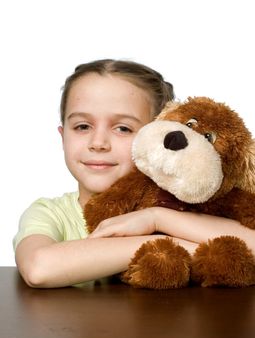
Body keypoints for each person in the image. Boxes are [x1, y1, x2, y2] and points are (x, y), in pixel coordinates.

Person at [13, 59, 255, 288]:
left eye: (123, 128)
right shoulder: (50, 214)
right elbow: (39, 268)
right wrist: (166, 245)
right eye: (82, 126)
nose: (98, 143)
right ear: (62, 135)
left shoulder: (186, 208)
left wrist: (157, 218)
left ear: (159, 134)